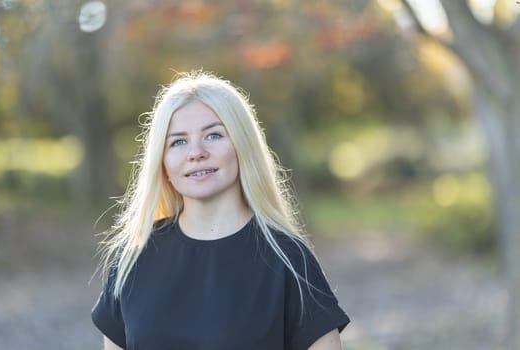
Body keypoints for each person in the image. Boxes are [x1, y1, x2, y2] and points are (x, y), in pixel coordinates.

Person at [91, 71, 350, 350]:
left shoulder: (286, 258)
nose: (196, 152)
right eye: (178, 141)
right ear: (162, 160)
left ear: (242, 145)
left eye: (213, 135)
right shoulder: (134, 256)